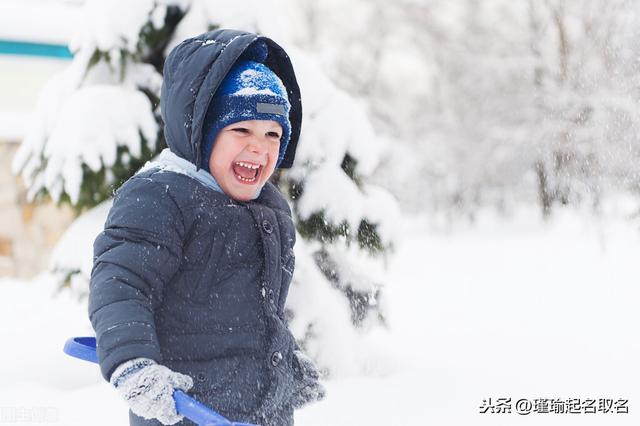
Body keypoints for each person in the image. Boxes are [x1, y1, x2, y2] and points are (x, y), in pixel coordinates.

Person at [88, 29, 325, 426]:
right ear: (203, 131)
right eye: (241, 130)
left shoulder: (272, 211)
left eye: (273, 134)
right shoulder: (161, 196)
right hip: (185, 413)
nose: (260, 147)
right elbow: (121, 284)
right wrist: (133, 364)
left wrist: (282, 364)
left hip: (262, 415)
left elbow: (262, 311)